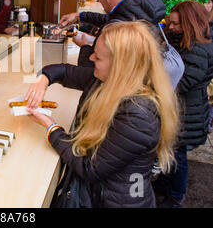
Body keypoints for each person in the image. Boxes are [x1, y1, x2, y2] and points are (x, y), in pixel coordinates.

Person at [25, 21, 179, 208]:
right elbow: (64, 71)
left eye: (97, 57)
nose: (90, 59)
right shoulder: (105, 80)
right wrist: (43, 80)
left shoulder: (138, 116)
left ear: (120, 65)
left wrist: (51, 127)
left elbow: (89, 168)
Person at [154, 0, 213, 207]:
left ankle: (176, 195)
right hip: (179, 109)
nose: (171, 27)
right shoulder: (183, 39)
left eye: (176, 24)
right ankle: (165, 182)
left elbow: (183, 82)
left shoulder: (199, 49)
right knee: (170, 150)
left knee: (178, 156)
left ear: (190, 23)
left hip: (187, 113)